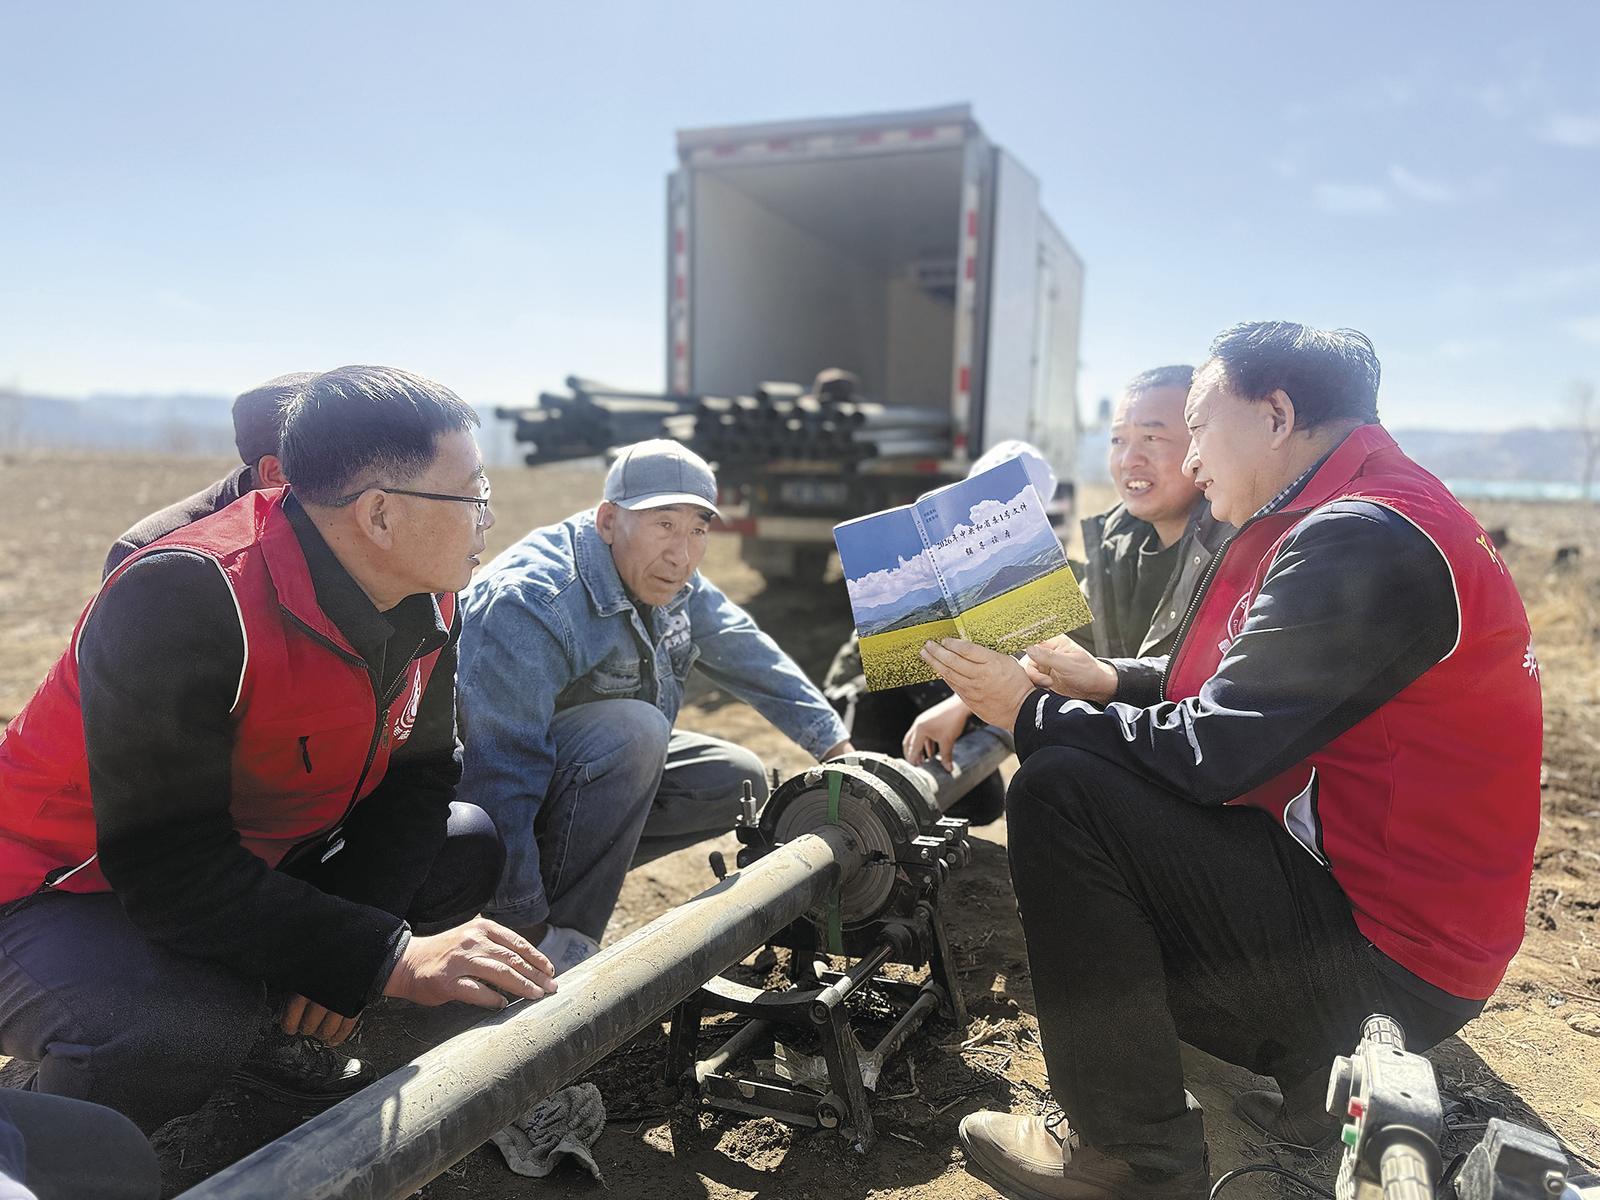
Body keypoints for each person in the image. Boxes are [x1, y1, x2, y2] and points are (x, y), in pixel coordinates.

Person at [921, 323, 1541, 1199]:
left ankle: (1130, 1159)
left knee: (1062, 789)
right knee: (1092, 776)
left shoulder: (1361, 537)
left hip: (1388, 965)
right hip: (1407, 929)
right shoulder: (1385, 510)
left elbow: (1214, 755)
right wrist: (1107, 680)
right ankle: (1309, 1088)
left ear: (1277, 415)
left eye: (1198, 427)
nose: (1193, 456)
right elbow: (1248, 698)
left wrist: (1028, 712)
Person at [0, 365, 558, 1136]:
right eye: (475, 495)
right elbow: (165, 867)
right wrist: (388, 956)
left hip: (250, 853)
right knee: (175, 1029)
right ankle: (45, 1140)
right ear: (381, 515)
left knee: (462, 845)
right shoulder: (186, 596)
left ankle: (279, 1033)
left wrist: (348, 963)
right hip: (55, 886)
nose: (488, 519)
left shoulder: (427, 590)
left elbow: (419, 775)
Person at [457, 438, 853, 972]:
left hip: (564, 784)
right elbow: (497, 770)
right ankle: (554, 945)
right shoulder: (531, 602)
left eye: (698, 529)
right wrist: (521, 924)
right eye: (663, 524)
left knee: (734, 777)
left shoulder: (672, 579)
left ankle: (565, 904)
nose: (682, 553)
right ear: (607, 521)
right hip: (478, 817)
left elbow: (748, 652)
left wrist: (838, 748)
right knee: (637, 728)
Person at [895, 368, 1230, 784]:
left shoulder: (1236, 553)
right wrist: (959, 705)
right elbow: (1068, 648)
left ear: (1202, 444)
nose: (1129, 459)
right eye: (1117, 440)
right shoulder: (1114, 542)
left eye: (1152, 437)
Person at [103, 371, 313, 577]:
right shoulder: (154, 555)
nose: (345, 477)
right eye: (332, 461)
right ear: (275, 473)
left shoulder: (332, 522)